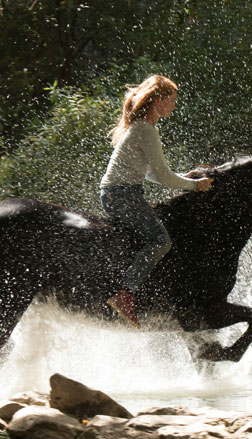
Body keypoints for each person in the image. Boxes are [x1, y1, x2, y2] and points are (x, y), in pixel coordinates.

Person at [99, 75, 213, 328]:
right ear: (158, 101)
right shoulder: (145, 130)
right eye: (171, 101)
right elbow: (161, 175)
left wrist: (184, 178)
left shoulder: (143, 127)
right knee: (160, 240)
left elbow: (152, 173)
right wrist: (195, 185)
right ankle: (125, 293)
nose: (173, 106)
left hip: (121, 193)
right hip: (121, 195)